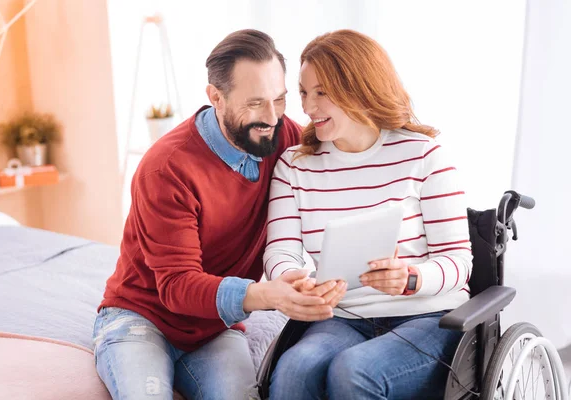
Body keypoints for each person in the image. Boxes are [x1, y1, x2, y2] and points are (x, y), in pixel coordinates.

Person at [92, 29, 347, 400]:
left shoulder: (284, 136)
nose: (272, 117)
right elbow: (178, 287)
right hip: (140, 318)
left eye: (280, 99)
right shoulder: (166, 169)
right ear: (216, 97)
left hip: (215, 327)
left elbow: (347, 152)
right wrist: (266, 295)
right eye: (256, 103)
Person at [265, 29, 473, 400]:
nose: (308, 108)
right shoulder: (294, 166)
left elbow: (459, 262)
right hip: (343, 318)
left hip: (427, 317)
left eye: (322, 92)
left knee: (355, 371)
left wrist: (411, 278)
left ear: (359, 87)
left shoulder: (425, 156)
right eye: (303, 92)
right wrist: (294, 281)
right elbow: (280, 252)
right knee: (295, 369)